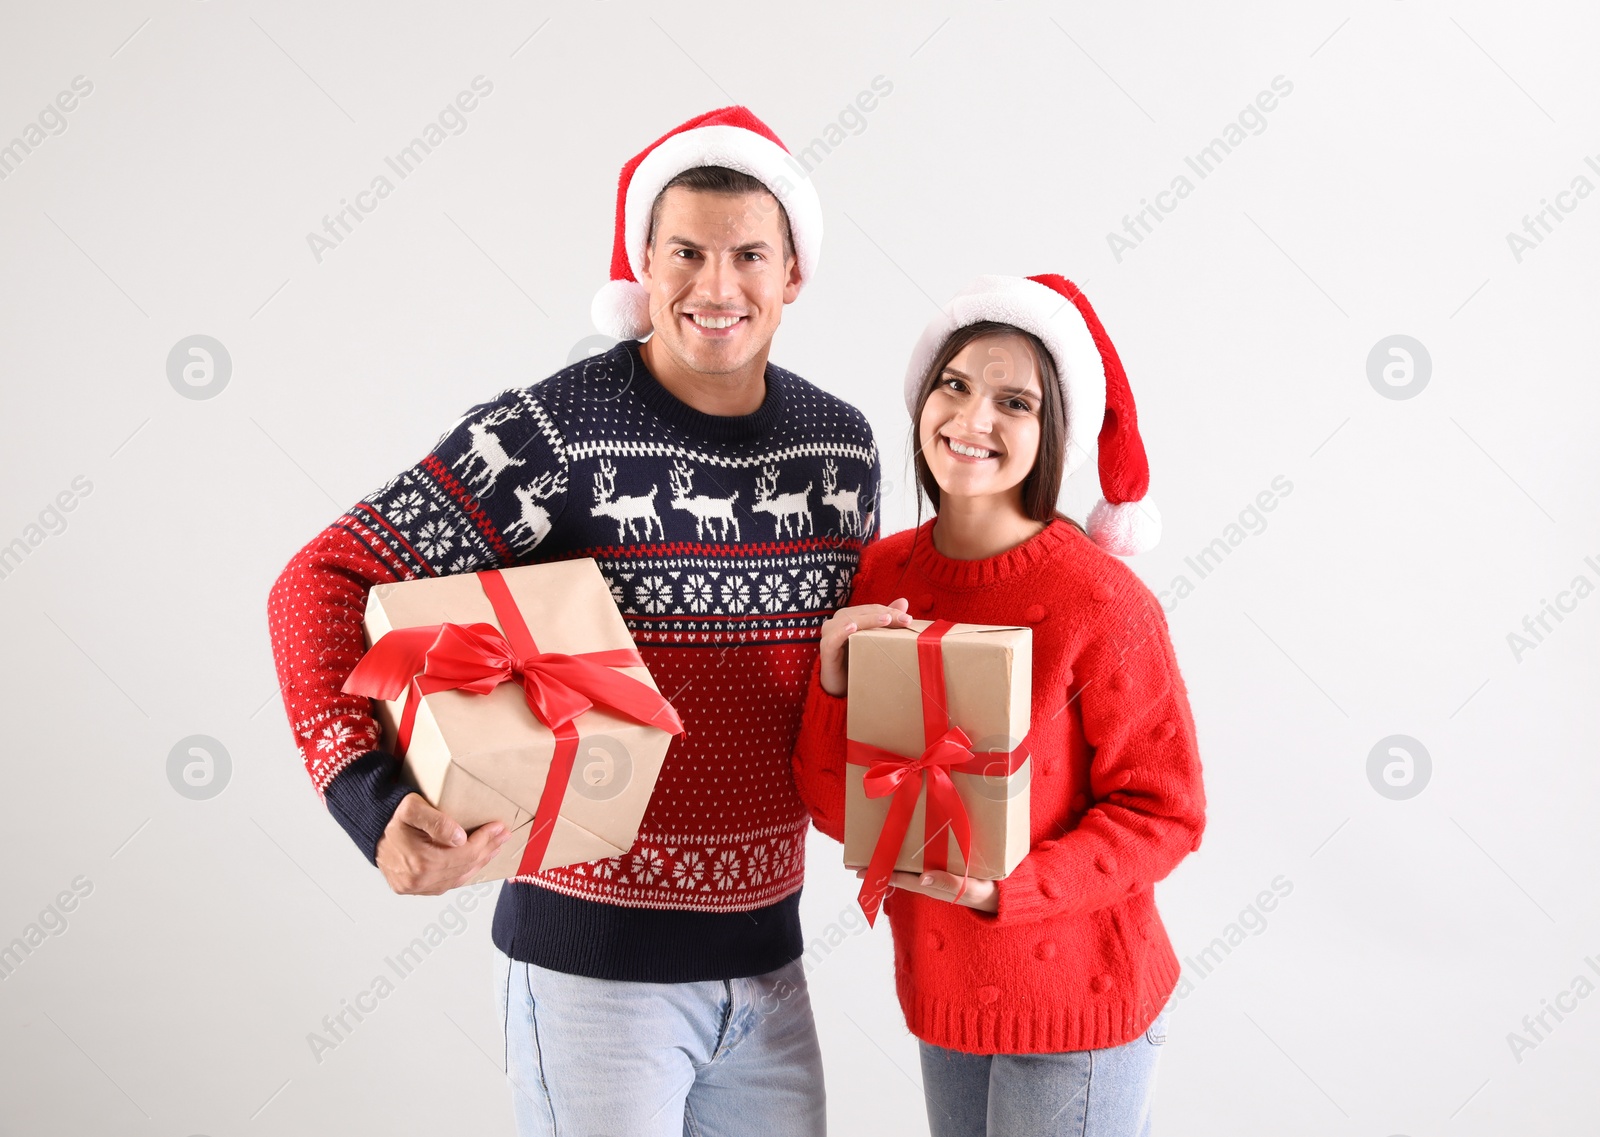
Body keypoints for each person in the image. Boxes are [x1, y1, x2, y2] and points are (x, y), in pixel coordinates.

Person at [267, 106, 879, 1137]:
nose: (716, 287)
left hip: (771, 973)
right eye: (685, 251)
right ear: (643, 263)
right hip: (592, 975)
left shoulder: (843, 451)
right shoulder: (550, 433)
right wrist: (367, 798)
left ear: (793, 277)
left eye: (747, 256)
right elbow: (317, 581)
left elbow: (833, 690)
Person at [791, 274, 1206, 1136]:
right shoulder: (883, 576)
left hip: (1082, 1007)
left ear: (1052, 431)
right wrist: (833, 682)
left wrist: (1008, 888)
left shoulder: (1104, 602)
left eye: (1014, 401)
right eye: (955, 384)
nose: (972, 419)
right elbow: (842, 811)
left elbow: (1166, 812)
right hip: (946, 998)